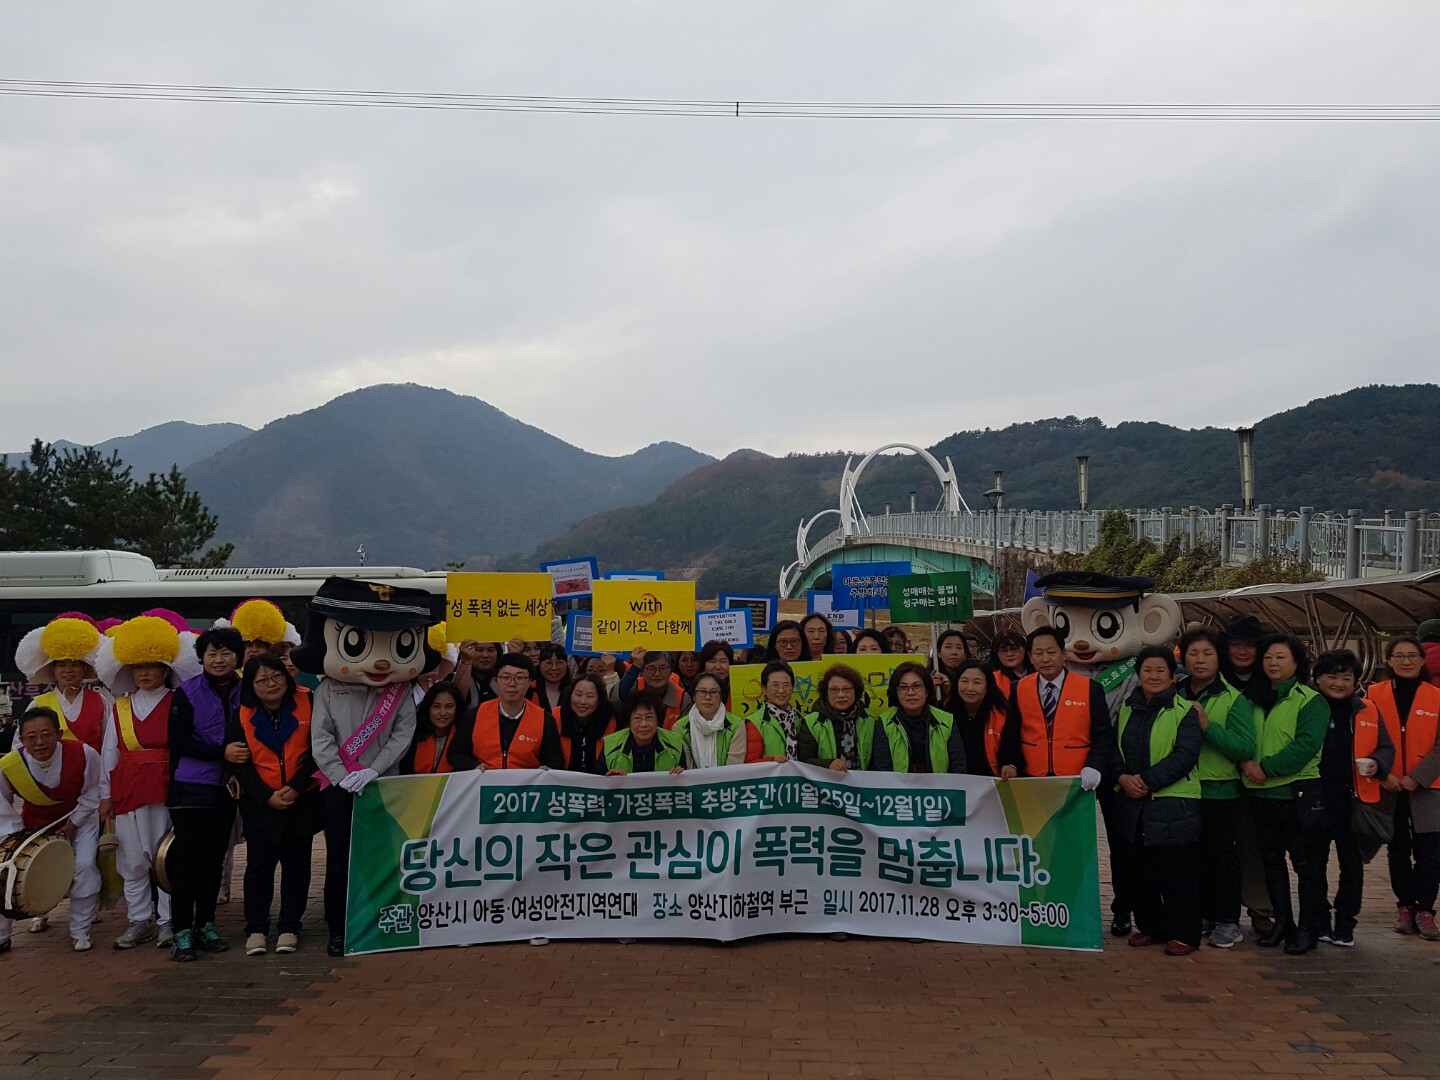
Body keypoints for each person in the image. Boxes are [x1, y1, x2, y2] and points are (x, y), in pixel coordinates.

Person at [297, 576, 440, 958]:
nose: (379, 661)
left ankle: (378, 920)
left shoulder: (400, 691)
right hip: (338, 788)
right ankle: (339, 927)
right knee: (340, 858)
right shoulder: (327, 688)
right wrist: (342, 777)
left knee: (382, 855)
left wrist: (374, 770)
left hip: (384, 786)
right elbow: (321, 738)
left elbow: (403, 734)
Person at [94, 615, 201, 950]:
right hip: (128, 789)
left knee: (164, 857)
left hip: (166, 787)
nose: (144, 673)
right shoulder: (120, 707)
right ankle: (139, 920)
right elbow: (109, 753)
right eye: (138, 667)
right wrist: (105, 795)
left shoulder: (179, 700)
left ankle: (168, 922)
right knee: (131, 861)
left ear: (165, 669)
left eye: (152, 666)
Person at [1111, 646, 1204, 956]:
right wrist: (1122, 777)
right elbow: (1114, 749)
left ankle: (1185, 933)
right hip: (1133, 803)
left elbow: (1185, 755)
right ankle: (1152, 927)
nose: (1153, 676)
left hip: (1172, 803)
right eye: (1147, 670)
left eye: (1160, 670)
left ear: (1173, 676)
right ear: (1138, 675)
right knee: (1141, 871)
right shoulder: (1127, 708)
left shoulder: (1185, 711)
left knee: (1177, 873)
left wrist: (1147, 781)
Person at [1241, 635, 1330, 954]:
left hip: (1298, 795)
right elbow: (1242, 736)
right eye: (1268, 657)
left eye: (1281, 657)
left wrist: (1266, 768)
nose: (1273, 663)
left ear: (1296, 662)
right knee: (1271, 863)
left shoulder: (1310, 700)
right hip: (1261, 796)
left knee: (1307, 867)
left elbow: (1306, 745)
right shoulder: (1252, 698)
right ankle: (1282, 923)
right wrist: (1245, 762)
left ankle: (1308, 928)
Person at [229, 654, 322, 956]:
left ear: (287, 675)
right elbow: (240, 761)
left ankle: (290, 926)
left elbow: (320, 749)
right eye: (262, 680)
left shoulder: (309, 701)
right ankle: (256, 928)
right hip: (260, 803)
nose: (271, 684)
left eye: (276, 676)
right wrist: (266, 795)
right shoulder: (242, 713)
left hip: (301, 798)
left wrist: (295, 788)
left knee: (297, 865)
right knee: (259, 866)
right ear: (251, 686)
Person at [1175, 626, 1255, 949]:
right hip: (1182, 790)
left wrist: (1208, 727)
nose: (1200, 659)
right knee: (1192, 858)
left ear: (1219, 658)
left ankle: (1228, 920)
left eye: (1207, 653)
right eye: (1193, 653)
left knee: (1221, 857)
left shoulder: (1233, 698)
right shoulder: (1175, 692)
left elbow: (1244, 747)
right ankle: (1205, 913)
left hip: (1220, 790)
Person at [166, 626, 244, 961]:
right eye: (212, 653)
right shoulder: (186, 692)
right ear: (202, 658)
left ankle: (206, 924)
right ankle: (181, 931)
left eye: (226, 652)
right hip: (190, 788)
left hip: (226, 790)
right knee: (187, 863)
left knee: (214, 861)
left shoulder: (247, 690)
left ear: (237, 657)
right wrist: (221, 753)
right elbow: (179, 741)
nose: (219, 659)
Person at [0, 707, 104, 952]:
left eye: (46, 735)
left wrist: (73, 824)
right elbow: (2, 804)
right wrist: (17, 838)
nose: (39, 742)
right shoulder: (9, 765)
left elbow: (93, 791)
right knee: (6, 870)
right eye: (32, 737)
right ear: (21, 740)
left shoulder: (84, 753)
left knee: (84, 866)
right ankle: (4, 935)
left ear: (59, 734)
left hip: (78, 819)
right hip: (32, 826)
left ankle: (80, 931)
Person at [1313, 649, 1394, 947]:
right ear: (1317, 679)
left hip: (1355, 802)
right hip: (1316, 800)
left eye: (1346, 677)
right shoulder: (1307, 708)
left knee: (1352, 866)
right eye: (1331, 676)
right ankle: (1319, 920)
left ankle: (1346, 924)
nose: (1339, 683)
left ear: (1355, 681)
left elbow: (1386, 747)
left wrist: (1377, 763)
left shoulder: (1368, 709)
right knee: (1314, 865)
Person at [1369, 635, 1440, 939]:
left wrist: (1416, 777)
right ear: (1388, 661)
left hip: (1428, 787)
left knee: (1430, 850)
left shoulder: (1436, 696)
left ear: (1423, 660)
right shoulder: (1374, 694)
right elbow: (1365, 737)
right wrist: (1384, 774)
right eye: (1399, 656)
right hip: (1389, 785)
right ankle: (1405, 906)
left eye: (1412, 655)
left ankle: (1425, 909)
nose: (1406, 661)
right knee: (1396, 849)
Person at [997, 627, 1110, 787]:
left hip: (1078, 778)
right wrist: (1011, 762)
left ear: (1063, 654)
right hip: (1032, 775)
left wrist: (1094, 766)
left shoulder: (1090, 688)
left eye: (1051, 652)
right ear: (1030, 657)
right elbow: (1011, 731)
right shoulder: (1020, 688)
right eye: (1038, 653)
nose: (1045, 659)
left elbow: (1103, 734)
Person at [19, 614, 108, 753]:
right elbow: (22, 746)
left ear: (85, 668)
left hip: (92, 766)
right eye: (62, 665)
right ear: (53, 669)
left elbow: (109, 744)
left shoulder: (100, 701)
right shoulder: (38, 704)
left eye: (75, 664)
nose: (68, 670)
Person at [471, 655, 565, 770]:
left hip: (527, 781)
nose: (512, 684)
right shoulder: (476, 714)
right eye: (506, 677)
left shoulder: (544, 719)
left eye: (519, 678)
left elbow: (555, 760)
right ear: (495, 681)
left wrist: (547, 769)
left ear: (529, 682)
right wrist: (474, 766)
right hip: (486, 779)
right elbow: (457, 753)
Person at [870, 663, 963, 773]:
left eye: (917, 686)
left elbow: (958, 765)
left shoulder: (947, 720)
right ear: (896, 693)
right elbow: (882, 768)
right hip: (897, 784)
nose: (911, 693)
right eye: (903, 687)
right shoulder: (884, 722)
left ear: (927, 691)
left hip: (941, 784)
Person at [673, 672, 772, 768]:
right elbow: (687, 769)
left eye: (714, 692)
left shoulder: (736, 725)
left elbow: (733, 768)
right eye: (702, 692)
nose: (708, 697)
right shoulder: (679, 728)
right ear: (694, 696)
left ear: (721, 697)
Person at [798, 663, 876, 772]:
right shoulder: (812, 723)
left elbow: (878, 758)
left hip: (862, 780)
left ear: (856, 691)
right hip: (826, 780)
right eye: (834, 690)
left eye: (847, 689)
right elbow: (802, 761)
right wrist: (828, 764)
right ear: (826, 693)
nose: (841, 695)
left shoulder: (870, 718)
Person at [596, 694, 686, 775]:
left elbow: (686, 779)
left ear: (658, 720)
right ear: (628, 722)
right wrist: (609, 778)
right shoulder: (611, 744)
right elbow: (598, 780)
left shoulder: (674, 743)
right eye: (637, 718)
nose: (644, 724)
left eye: (649, 717)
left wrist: (681, 774)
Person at [945, 660, 1007, 778]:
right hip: (954, 781)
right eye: (964, 681)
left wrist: (1010, 764)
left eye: (977, 682)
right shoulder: (944, 711)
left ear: (988, 686)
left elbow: (1010, 747)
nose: (970, 688)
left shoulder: (1002, 713)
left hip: (992, 780)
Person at [400, 682, 476, 774]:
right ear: (428, 708)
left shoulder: (467, 737)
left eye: (449, 707)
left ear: (457, 708)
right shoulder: (413, 734)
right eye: (436, 707)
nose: (443, 713)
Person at [612, 651, 689, 728]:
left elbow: (685, 731)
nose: (657, 674)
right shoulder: (633, 686)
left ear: (671, 671)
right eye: (651, 669)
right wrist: (635, 666)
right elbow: (616, 700)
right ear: (642, 671)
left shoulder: (683, 698)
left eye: (663, 668)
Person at [556, 675, 617, 773]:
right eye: (578, 694)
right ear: (570, 695)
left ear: (599, 700)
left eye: (590, 696)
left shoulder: (611, 720)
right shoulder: (554, 717)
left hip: (599, 778)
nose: (583, 701)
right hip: (562, 777)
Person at [750, 662, 803, 759]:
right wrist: (772, 761)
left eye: (786, 685)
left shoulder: (801, 719)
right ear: (764, 688)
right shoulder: (754, 722)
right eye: (775, 685)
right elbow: (750, 762)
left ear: (792, 688)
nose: (781, 690)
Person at [454, 639, 502, 711]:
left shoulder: (505, 678)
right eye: (479, 650)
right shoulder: (455, 677)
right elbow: (456, 697)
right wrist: (466, 661)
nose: (485, 655)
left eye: (491, 650)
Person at [985, 630, 1030, 697]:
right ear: (996, 654)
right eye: (1003, 651)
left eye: (1014, 649)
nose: (1009, 654)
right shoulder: (992, 679)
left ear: (1025, 649)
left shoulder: (1040, 672)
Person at [529, 643, 572, 713]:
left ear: (566, 664)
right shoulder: (529, 689)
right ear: (540, 665)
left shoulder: (574, 690)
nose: (554, 668)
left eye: (559, 663)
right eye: (549, 663)